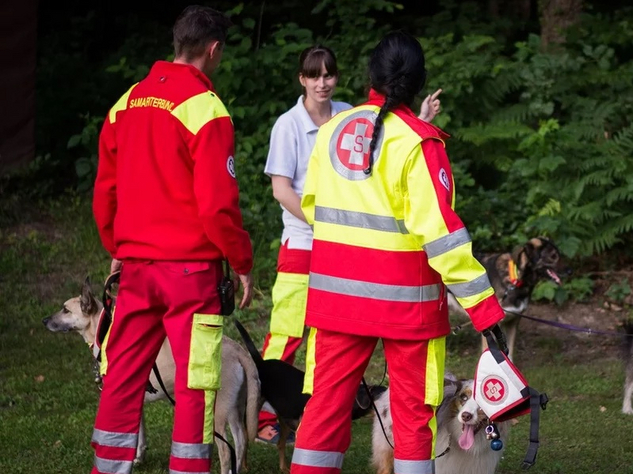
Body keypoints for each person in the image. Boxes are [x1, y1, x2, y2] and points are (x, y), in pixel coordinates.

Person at [289, 31, 505, 474]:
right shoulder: (419, 142)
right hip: (407, 307)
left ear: (371, 75)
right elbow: (442, 238)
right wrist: (485, 311)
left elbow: (311, 206)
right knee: (412, 415)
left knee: (324, 409)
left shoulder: (330, 131)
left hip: (336, 300)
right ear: (419, 82)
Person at [91, 6, 253, 474]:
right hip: (192, 272)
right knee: (195, 381)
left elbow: (105, 192)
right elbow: (217, 206)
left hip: (137, 268)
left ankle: (108, 467)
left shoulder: (127, 102)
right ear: (214, 49)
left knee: (122, 374)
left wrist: (119, 249)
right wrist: (240, 259)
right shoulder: (206, 109)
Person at [258, 44, 442, 444]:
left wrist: (419, 120)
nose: (322, 82)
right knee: (288, 331)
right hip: (305, 241)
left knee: (331, 341)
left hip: (346, 248)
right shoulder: (288, 125)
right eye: (314, 75)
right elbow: (281, 189)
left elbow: (384, 151)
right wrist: (325, 223)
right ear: (302, 79)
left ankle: (311, 413)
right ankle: (264, 413)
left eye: (329, 74)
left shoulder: (347, 114)